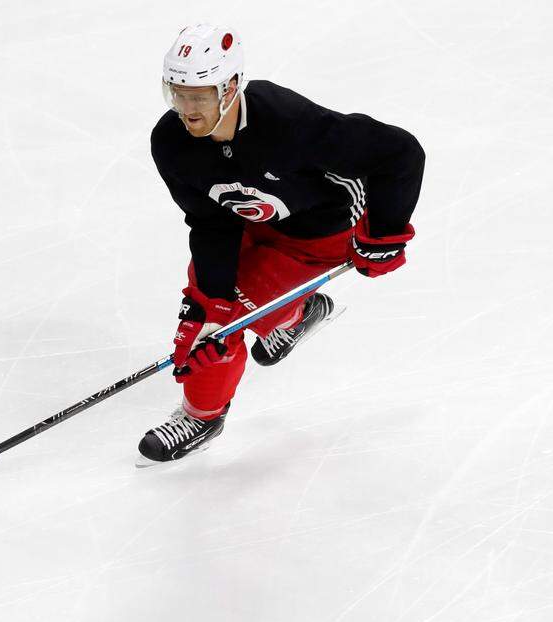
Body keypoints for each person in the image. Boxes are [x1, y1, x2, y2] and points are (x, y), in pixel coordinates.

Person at [138, 24, 425, 464]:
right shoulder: (171, 143)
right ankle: (288, 319)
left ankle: (204, 414)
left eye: (199, 95)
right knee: (205, 316)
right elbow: (209, 221)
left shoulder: (286, 122)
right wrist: (210, 307)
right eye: (177, 93)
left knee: (236, 311)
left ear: (231, 86)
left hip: (315, 236)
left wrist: (385, 232)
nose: (187, 108)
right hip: (247, 225)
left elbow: (400, 152)